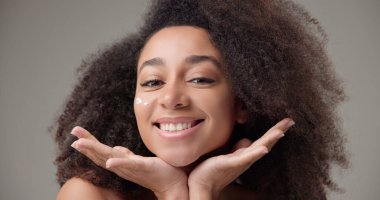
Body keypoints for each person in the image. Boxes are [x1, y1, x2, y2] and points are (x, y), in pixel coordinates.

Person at [53, 0, 348, 199]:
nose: (171, 98)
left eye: (199, 79)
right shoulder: (87, 195)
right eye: (153, 82)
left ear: (242, 103)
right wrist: (171, 191)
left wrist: (199, 190)